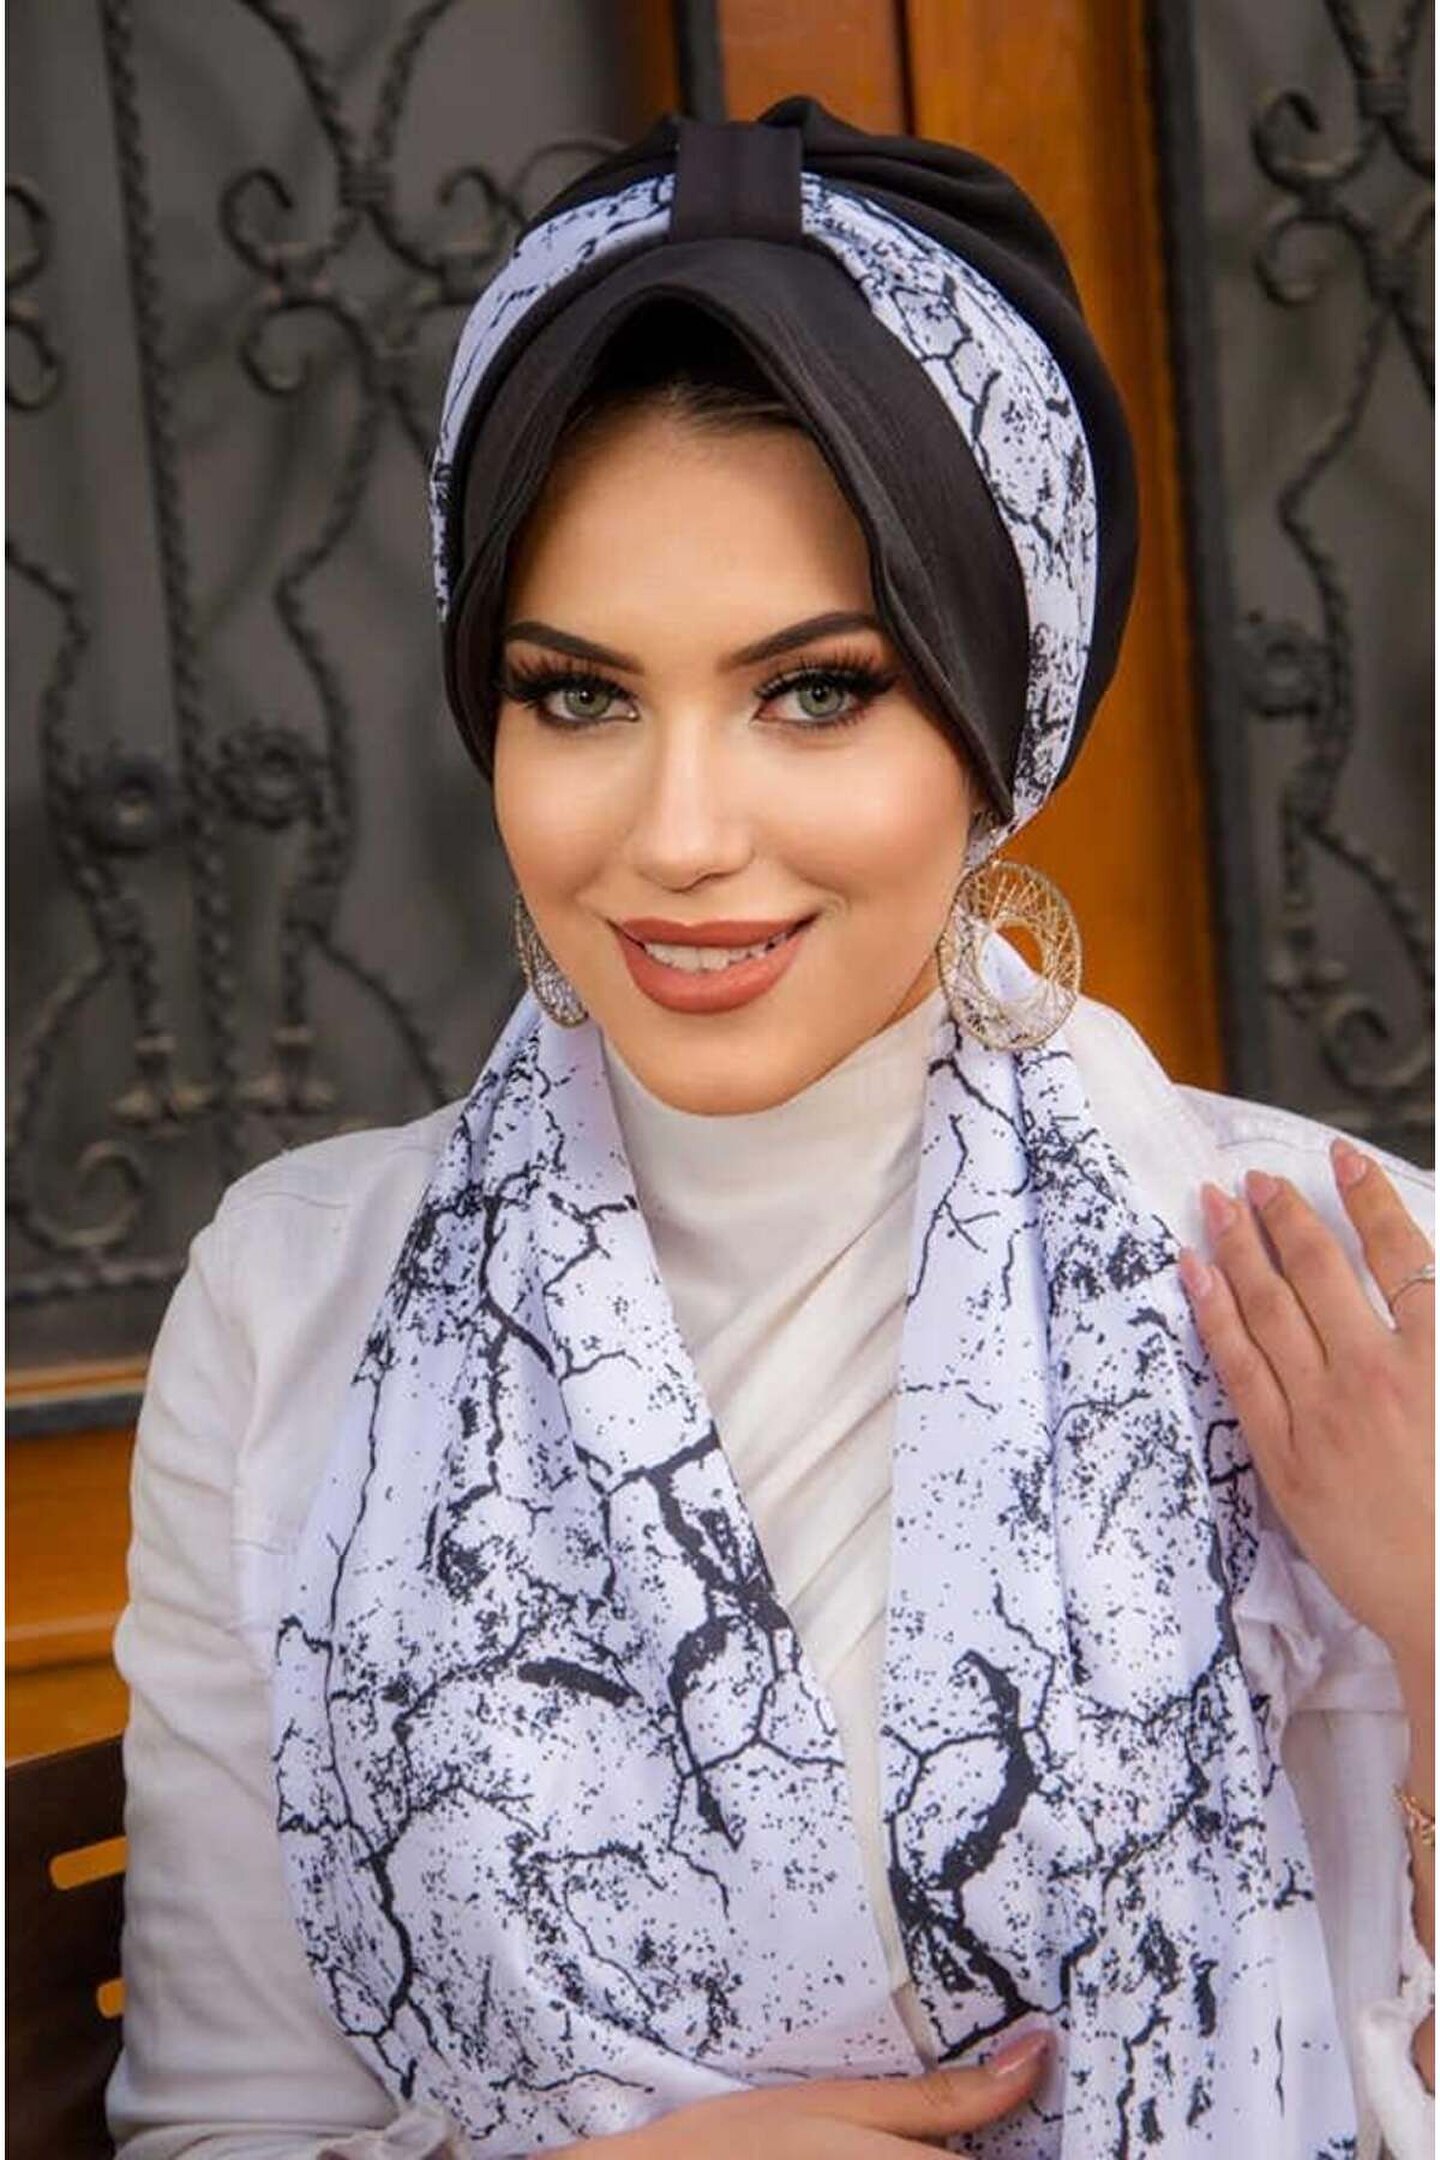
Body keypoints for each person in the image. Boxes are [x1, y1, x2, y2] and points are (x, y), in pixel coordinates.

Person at [108, 101, 1434, 2159]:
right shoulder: (297, 1307)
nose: (681, 835)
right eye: (579, 694)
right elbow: (218, 2124)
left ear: (998, 721)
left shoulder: (1340, 1300)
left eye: (816, 690)